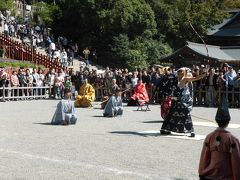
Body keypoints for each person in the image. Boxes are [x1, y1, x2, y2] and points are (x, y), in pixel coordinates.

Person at [199, 97, 240, 180]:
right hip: (226, 177)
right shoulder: (232, 140)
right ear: (228, 122)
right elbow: (236, 161)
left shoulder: (209, 137)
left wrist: (201, 173)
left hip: (210, 176)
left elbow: (204, 158)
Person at [160, 67, 206, 137]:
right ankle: (165, 129)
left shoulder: (185, 79)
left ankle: (190, 131)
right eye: (179, 72)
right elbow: (169, 85)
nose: (181, 73)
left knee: (186, 114)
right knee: (171, 114)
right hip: (175, 100)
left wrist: (203, 75)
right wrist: (169, 95)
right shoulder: (174, 79)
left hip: (182, 101)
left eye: (182, 72)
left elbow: (195, 78)